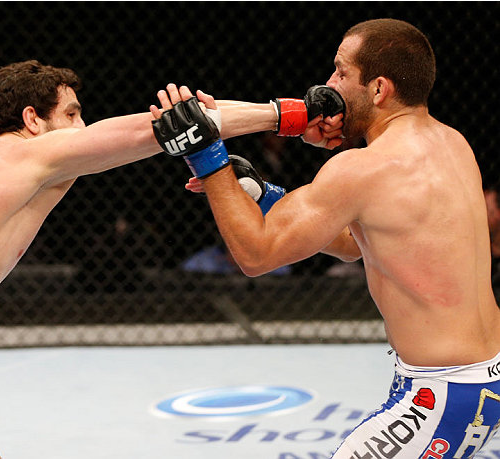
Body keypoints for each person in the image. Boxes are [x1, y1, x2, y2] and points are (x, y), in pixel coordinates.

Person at [0, 60, 337, 458]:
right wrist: (294, 113)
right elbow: (170, 127)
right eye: (74, 114)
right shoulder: (30, 156)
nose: (83, 129)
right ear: (32, 119)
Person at [153, 19, 500, 458]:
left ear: (378, 89)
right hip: (480, 372)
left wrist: (207, 155)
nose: (328, 84)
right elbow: (361, 244)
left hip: (446, 389)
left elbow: (256, 256)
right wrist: (264, 195)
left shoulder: (364, 168)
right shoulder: (452, 144)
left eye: (340, 72)